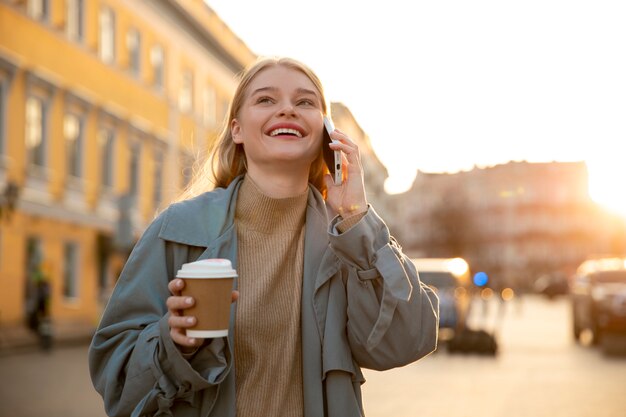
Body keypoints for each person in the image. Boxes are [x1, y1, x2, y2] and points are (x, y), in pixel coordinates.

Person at [89, 56, 439, 417]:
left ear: (327, 132)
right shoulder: (179, 227)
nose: (287, 109)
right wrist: (172, 341)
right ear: (237, 130)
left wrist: (356, 216)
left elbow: (406, 342)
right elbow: (115, 378)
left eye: (305, 102)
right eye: (266, 100)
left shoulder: (347, 241)